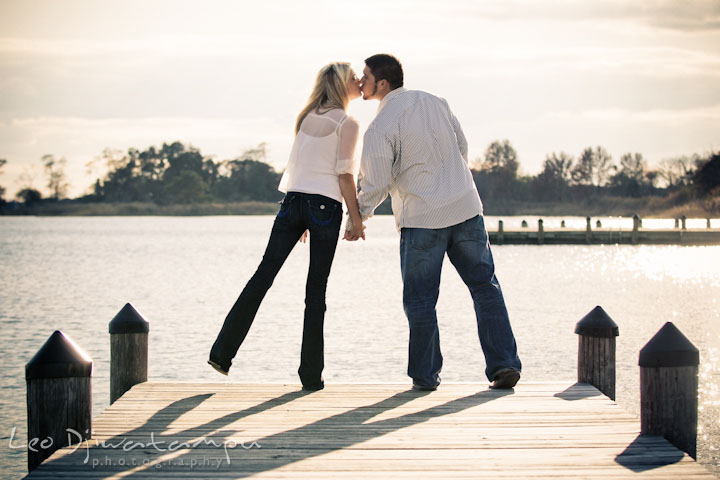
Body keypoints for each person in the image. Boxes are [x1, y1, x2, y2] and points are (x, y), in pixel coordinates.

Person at [346, 54, 521, 391]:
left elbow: (376, 181)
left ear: (382, 83)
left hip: (422, 219)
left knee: (421, 300)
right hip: (466, 208)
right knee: (485, 288)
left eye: (364, 77)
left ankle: (426, 377)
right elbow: (462, 146)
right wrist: (452, 181)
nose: (360, 82)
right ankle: (504, 365)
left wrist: (358, 219)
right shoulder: (436, 102)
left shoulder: (381, 126)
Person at [208, 62, 365, 391]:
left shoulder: (305, 118)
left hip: (292, 204)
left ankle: (222, 354)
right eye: (353, 78)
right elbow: (344, 174)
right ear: (340, 85)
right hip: (324, 208)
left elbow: (299, 167)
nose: (358, 81)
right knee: (315, 292)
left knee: (262, 278)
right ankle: (310, 376)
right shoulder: (347, 123)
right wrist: (356, 217)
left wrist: (300, 217)